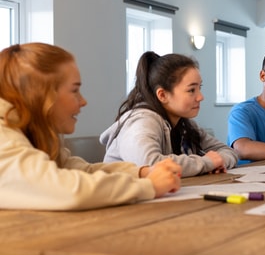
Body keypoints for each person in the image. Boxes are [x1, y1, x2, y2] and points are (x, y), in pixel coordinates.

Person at [0, 43, 181, 210]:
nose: (83, 101)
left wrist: (142, 172)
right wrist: (148, 186)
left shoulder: (28, 131)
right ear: (41, 94)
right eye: (74, 90)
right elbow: (66, 190)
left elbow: (80, 170)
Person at [101, 52, 238, 177]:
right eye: (191, 90)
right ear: (162, 95)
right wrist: (207, 163)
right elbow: (151, 164)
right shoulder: (143, 121)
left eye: (199, 88)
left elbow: (227, 151)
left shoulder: (185, 124)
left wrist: (218, 162)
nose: (200, 97)